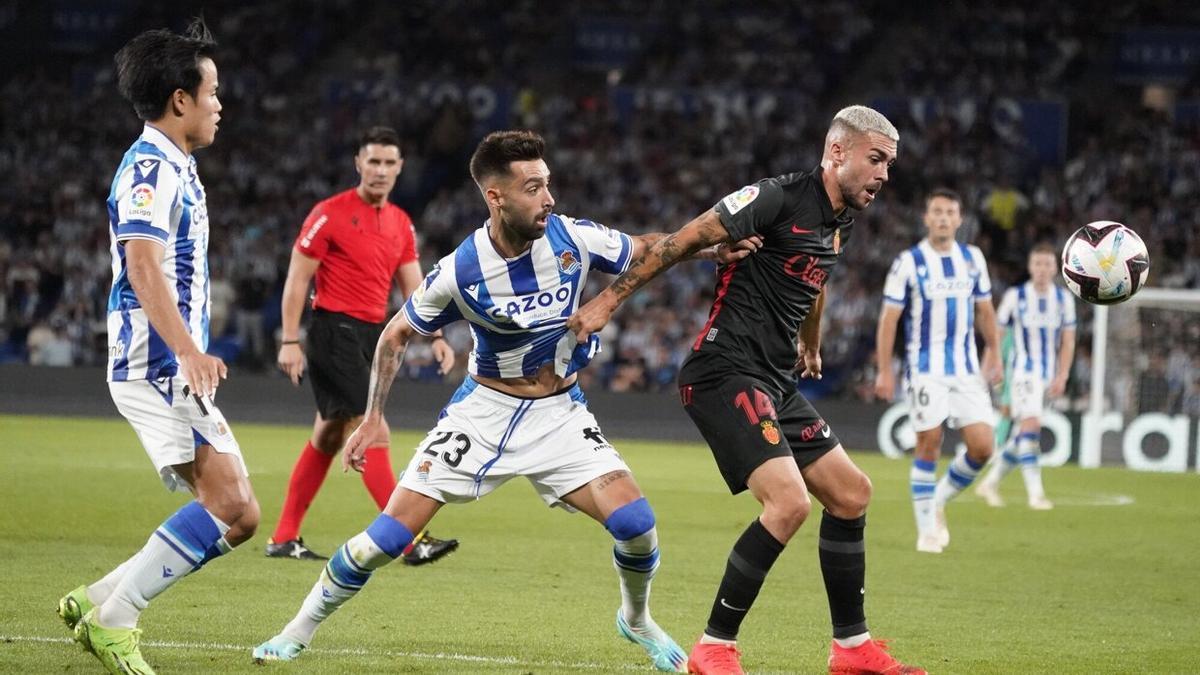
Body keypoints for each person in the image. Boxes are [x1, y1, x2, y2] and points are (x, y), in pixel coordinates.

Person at [251, 130, 756, 671]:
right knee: (387, 539)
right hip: (483, 414)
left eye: (547, 185)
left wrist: (707, 249)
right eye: (533, 188)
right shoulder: (461, 270)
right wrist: (374, 417)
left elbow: (646, 247)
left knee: (637, 524)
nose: (549, 199)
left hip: (560, 415)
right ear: (496, 197)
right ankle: (295, 632)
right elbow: (395, 333)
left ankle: (636, 620)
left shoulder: (572, 238)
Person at [569, 106, 924, 675]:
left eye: (890, 164)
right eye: (875, 159)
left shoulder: (839, 219)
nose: (884, 174)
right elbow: (681, 241)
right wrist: (607, 302)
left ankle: (852, 650)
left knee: (852, 494)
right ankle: (714, 649)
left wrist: (810, 340)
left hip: (774, 379)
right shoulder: (775, 198)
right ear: (837, 151)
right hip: (723, 371)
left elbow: (816, 277)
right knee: (788, 504)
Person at [56, 20, 259, 674]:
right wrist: (188, 351)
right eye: (213, 92)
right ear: (180, 99)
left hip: (165, 360)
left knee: (238, 512)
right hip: (157, 360)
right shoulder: (151, 167)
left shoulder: (175, 165)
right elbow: (142, 265)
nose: (219, 104)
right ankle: (115, 620)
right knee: (231, 506)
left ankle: (96, 599)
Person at [266, 126, 458, 564]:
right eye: (373, 161)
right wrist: (290, 339)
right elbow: (298, 278)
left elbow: (415, 287)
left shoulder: (400, 223)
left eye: (390, 163)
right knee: (374, 427)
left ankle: (283, 537)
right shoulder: (329, 214)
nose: (381, 170)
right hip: (333, 332)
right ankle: (410, 539)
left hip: (374, 336)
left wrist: (437, 335)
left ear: (400, 169)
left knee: (329, 433)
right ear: (358, 164)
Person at [874, 188, 1003, 554]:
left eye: (950, 212)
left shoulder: (973, 258)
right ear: (926, 218)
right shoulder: (908, 262)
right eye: (937, 212)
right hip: (925, 369)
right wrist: (885, 370)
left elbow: (985, 311)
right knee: (928, 443)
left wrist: (994, 352)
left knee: (982, 447)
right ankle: (928, 530)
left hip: (966, 369)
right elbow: (889, 320)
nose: (944, 217)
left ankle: (939, 499)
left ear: (959, 219)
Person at [976, 243, 1076, 509]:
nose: (1042, 270)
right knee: (1031, 427)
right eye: (1037, 264)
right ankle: (1036, 494)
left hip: (1047, 375)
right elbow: (998, 335)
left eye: (1047, 264)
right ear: (1031, 268)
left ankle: (990, 482)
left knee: (1024, 432)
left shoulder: (1064, 299)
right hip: (1022, 372)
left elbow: (1068, 341)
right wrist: (991, 366)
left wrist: (1062, 375)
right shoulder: (1015, 296)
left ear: (1055, 268)